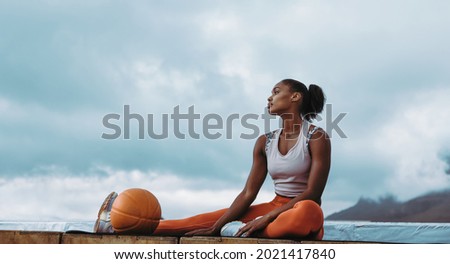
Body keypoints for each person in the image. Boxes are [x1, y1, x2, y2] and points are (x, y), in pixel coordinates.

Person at [94, 78, 331, 240]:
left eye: (276, 92)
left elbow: (312, 193)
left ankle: (244, 229)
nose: (269, 97)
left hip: (299, 210)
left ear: (295, 97)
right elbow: (249, 193)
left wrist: (266, 218)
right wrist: (216, 227)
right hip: (274, 207)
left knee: (308, 211)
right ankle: (113, 225)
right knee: (198, 221)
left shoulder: (316, 137)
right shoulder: (264, 142)